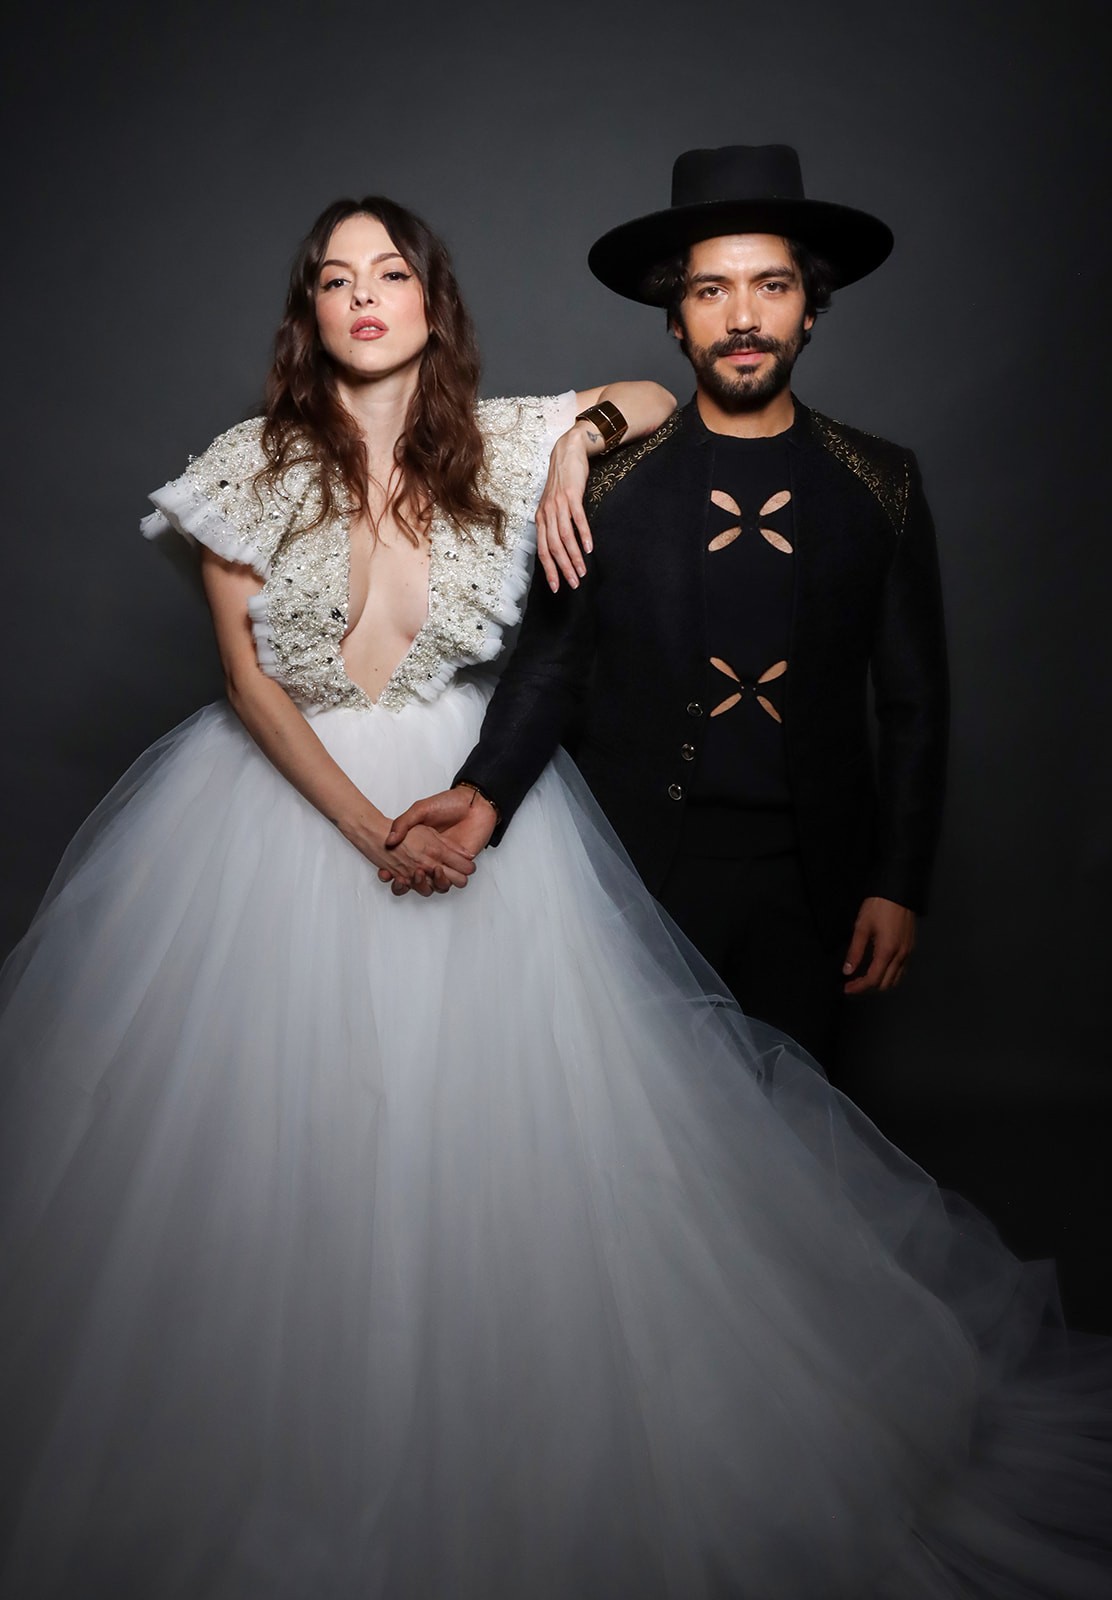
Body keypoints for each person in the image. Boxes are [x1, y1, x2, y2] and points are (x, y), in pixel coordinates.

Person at [0, 195, 1109, 1600]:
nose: (364, 296)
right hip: (285, 815)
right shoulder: (248, 463)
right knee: (270, 1145)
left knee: (507, 1148)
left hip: (474, 798)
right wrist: (365, 829)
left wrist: (578, 439)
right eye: (335, 278)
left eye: (390, 272)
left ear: (430, 300)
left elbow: (649, 397)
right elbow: (247, 682)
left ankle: (498, 1440)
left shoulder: (509, 438)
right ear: (309, 312)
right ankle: (299, 1447)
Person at [389, 145, 948, 1067]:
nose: (743, 317)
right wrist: (485, 792)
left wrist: (900, 881)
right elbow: (553, 665)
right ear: (677, 321)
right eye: (710, 291)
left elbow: (915, 705)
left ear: (810, 310)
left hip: (821, 883)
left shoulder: (882, 483)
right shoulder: (609, 485)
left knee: (795, 1122)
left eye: (772, 287)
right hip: (637, 868)